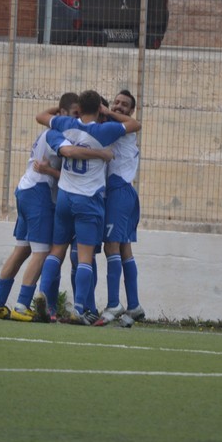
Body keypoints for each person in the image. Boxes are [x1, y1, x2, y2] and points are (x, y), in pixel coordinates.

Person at [0, 93, 111, 322]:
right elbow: (71, 156)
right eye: (73, 114)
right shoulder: (58, 134)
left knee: (22, 250)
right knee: (42, 252)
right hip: (39, 193)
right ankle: (22, 305)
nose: (76, 120)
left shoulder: (56, 130)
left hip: (26, 189)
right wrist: (101, 154)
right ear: (61, 113)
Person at [35, 90, 140, 324]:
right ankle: (80, 308)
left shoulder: (65, 125)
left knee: (57, 250)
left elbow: (41, 117)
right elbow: (135, 125)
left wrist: (62, 110)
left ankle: (44, 297)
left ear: (79, 109)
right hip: (89, 200)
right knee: (85, 257)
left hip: (65, 197)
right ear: (100, 110)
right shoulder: (106, 130)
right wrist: (101, 154)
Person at [96, 89, 146, 326]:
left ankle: (114, 303)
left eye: (124, 104)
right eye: (115, 102)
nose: (117, 106)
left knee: (111, 246)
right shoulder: (114, 127)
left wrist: (104, 111)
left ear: (131, 110)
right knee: (124, 248)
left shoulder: (125, 127)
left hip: (119, 191)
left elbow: (135, 124)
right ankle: (134, 305)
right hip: (123, 193)